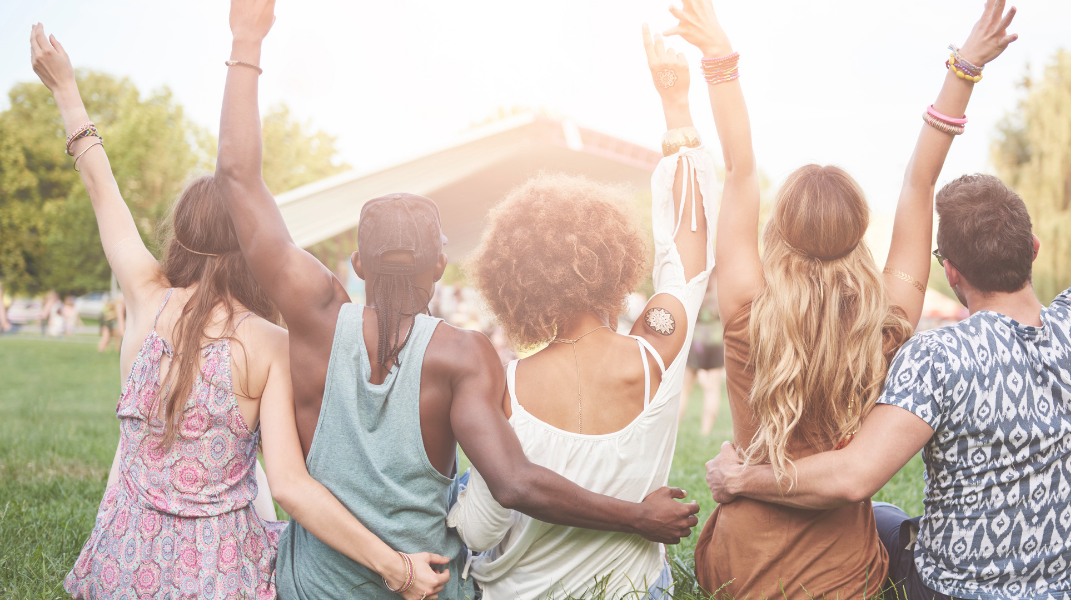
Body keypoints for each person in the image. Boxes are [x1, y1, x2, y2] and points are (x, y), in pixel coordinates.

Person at [214, 1, 699, 598]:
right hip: (433, 584)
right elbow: (514, 484)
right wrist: (636, 517)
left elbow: (237, 178)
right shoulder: (464, 355)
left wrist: (247, 42)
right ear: (442, 265)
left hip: (316, 584)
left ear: (358, 264)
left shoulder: (316, 315)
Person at [706, 30, 1071, 600]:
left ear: (951, 272)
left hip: (925, 585)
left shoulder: (925, 354)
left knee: (885, 513)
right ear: (1033, 248)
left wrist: (744, 477)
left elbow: (739, 171)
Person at [31, 24, 440, 600]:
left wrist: (65, 89)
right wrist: (396, 569)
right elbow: (291, 487)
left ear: (181, 236)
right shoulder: (270, 342)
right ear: (253, 249)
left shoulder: (146, 297)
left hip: (123, 566)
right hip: (221, 577)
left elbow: (102, 189)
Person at [664, 0, 1014, 596]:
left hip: (736, 571)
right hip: (844, 575)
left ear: (779, 233)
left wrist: (719, 60)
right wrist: (964, 69)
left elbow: (740, 170)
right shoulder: (887, 322)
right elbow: (919, 181)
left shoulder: (748, 309)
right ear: (857, 233)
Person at [445, 27, 714, 599]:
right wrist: (676, 107)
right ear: (616, 261)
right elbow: (688, 255)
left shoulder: (507, 386)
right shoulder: (654, 355)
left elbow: (483, 526)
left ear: (516, 282)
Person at [678, 280, 724, 435]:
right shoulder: (723, 283)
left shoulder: (697, 282)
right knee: (712, 389)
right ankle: (705, 432)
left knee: (684, 389)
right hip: (717, 339)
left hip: (696, 340)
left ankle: (674, 428)